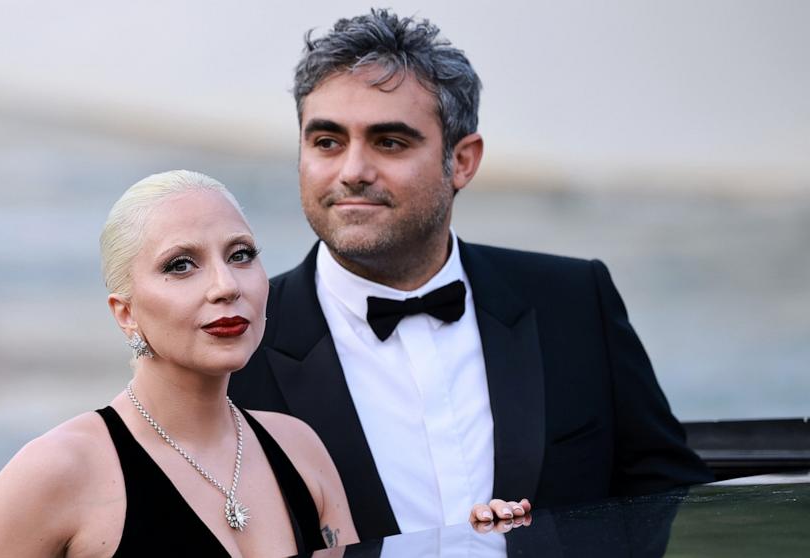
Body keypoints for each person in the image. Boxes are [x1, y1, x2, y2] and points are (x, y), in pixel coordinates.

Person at [228, 9, 713, 542]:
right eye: (327, 142)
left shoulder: (576, 303)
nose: (352, 171)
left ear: (462, 161)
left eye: (389, 142)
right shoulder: (236, 344)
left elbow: (669, 496)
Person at [0, 170, 524, 557]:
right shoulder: (57, 471)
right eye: (181, 265)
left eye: (241, 255)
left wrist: (461, 543)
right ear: (125, 313)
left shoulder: (299, 451)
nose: (226, 286)